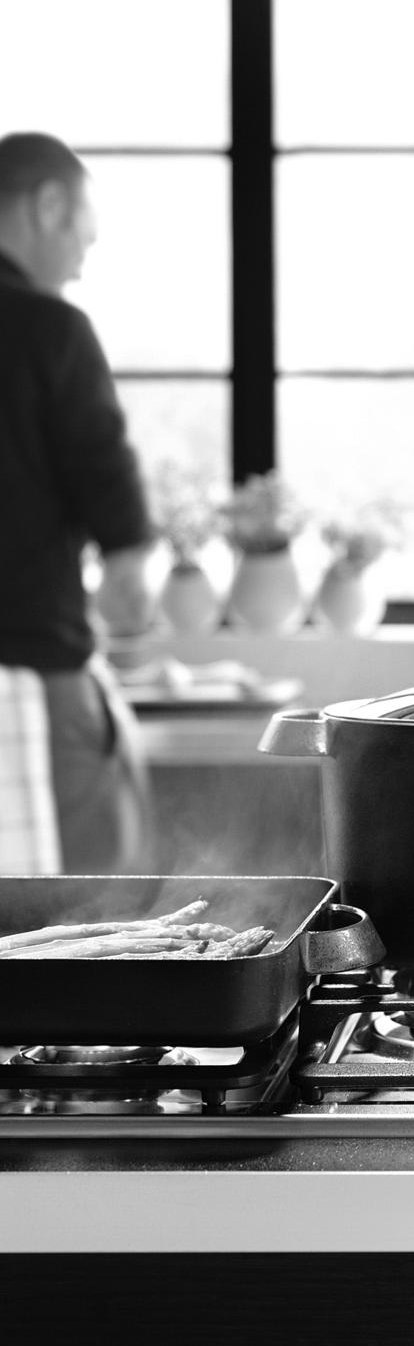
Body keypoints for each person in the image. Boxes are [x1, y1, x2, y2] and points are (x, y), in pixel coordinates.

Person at [0, 131, 155, 872]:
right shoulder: (49, 329)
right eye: (80, 241)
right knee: (83, 922)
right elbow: (112, 499)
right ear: (48, 204)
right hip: (31, 679)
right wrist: (130, 589)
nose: (80, 266)